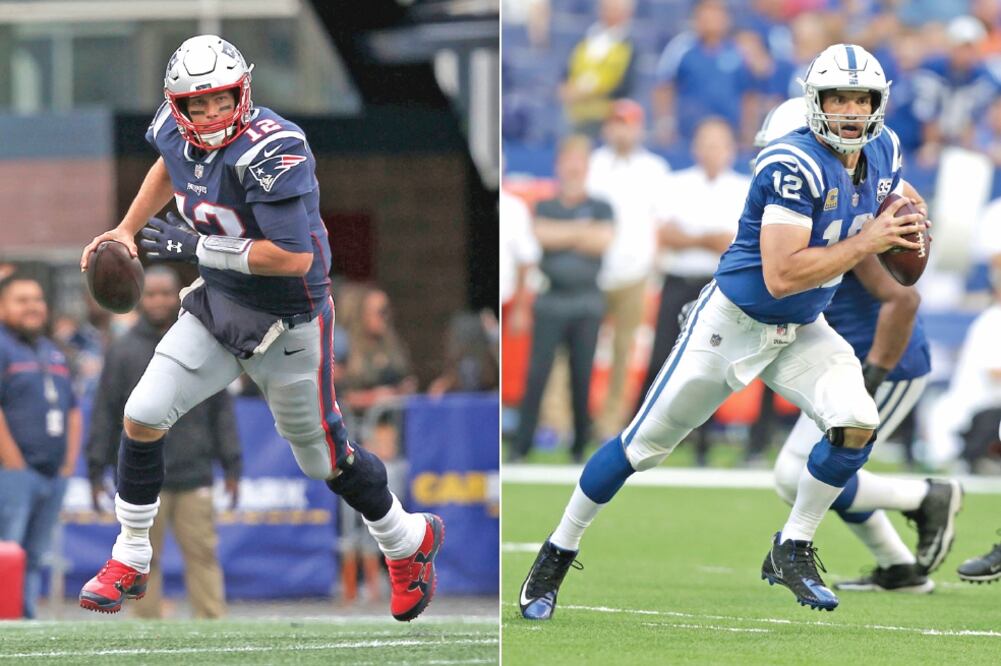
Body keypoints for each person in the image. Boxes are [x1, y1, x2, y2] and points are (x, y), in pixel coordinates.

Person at [519, 44, 928, 619]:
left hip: (803, 328)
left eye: (861, 99)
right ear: (815, 104)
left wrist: (911, 216)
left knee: (857, 423)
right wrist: (871, 240)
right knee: (641, 447)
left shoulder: (885, 148)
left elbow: (895, 201)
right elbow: (782, 275)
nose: (851, 111)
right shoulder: (791, 163)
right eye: (838, 98)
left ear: (878, 104)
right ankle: (557, 550)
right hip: (733, 325)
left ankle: (793, 545)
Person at [76, 35, 442, 621]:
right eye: (199, 105)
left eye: (222, 100)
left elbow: (293, 257)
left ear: (242, 91)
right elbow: (169, 169)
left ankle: (406, 541)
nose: (213, 113)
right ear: (179, 107)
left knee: (323, 460)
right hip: (220, 306)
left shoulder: (274, 147)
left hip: (287, 322)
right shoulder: (175, 131)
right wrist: (124, 229)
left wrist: (199, 246)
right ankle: (130, 554)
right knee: (143, 414)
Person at [760, 99, 961, 594]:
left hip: (885, 361)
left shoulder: (851, 211)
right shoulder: (822, 199)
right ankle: (899, 569)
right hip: (848, 359)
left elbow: (902, 299)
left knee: (801, 475)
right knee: (805, 473)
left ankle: (926, 497)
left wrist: (871, 377)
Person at [86, 266, 241, 618]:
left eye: (165, 293)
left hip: (193, 472)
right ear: (140, 297)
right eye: (151, 293)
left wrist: (233, 463)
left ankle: (213, 625)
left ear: (178, 295)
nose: (158, 300)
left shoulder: (201, 342)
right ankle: (147, 629)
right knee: (140, 560)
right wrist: (96, 467)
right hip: (140, 480)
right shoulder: (122, 351)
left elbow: (221, 409)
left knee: (202, 554)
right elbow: (105, 412)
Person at [638, 117, 747, 463]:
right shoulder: (676, 183)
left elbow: (737, 242)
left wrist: (693, 238)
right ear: (696, 148)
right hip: (678, 281)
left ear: (730, 149)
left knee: (712, 365)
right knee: (661, 359)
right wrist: (707, 239)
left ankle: (702, 441)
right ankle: (645, 433)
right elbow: (666, 235)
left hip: (717, 286)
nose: (713, 151)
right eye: (707, 143)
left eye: (719, 144)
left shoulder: (744, 186)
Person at [511, 135, 614, 462]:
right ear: (559, 165)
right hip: (551, 299)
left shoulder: (601, 205)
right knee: (537, 374)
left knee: (582, 375)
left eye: (579, 161)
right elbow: (541, 235)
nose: (573, 167)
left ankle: (580, 446)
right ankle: (521, 446)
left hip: (587, 301)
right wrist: (581, 230)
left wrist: (563, 234)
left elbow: (602, 241)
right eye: (568, 160)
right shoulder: (545, 205)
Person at [586, 99, 671, 438]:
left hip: (635, 270)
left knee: (624, 351)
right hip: (593, 268)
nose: (622, 129)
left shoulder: (655, 169)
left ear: (639, 127)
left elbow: (661, 221)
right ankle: (563, 421)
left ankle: (611, 422)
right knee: (580, 349)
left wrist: (655, 265)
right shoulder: (594, 164)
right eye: (617, 122)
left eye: (628, 123)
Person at [0, 275, 82, 619]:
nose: (32, 307)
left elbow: (73, 408)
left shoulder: (53, 351)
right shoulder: (3, 347)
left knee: (35, 555)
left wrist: (67, 463)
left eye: (36, 299)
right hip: (14, 472)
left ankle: (24, 618)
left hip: (52, 472)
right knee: (8, 550)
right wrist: (14, 461)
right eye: (21, 300)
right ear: (3, 307)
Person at [653, 0, 756, 148]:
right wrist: (664, 124)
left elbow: (749, 95)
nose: (711, 20)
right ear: (696, 18)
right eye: (706, 14)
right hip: (688, 135)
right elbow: (664, 87)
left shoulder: (739, 51)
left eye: (716, 14)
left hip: (729, 137)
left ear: (726, 19)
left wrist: (748, 132)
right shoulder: (681, 48)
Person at [560, 0, 637, 138]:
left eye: (615, 9)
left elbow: (625, 86)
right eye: (606, 8)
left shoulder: (629, 46)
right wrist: (567, 88)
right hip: (574, 113)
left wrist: (590, 93)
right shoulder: (584, 39)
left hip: (607, 117)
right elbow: (566, 70)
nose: (609, 13)